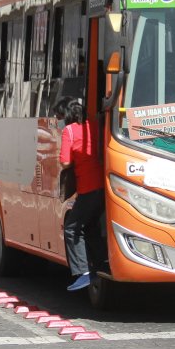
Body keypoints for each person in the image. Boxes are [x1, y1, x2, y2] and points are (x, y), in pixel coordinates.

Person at [54, 97, 105, 292]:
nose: (58, 120)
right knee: (90, 228)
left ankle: (83, 272)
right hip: (103, 187)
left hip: (87, 188)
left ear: (65, 115)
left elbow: (65, 161)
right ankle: (101, 265)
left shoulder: (69, 130)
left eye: (58, 116)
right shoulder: (93, 126)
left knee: (72, 228)